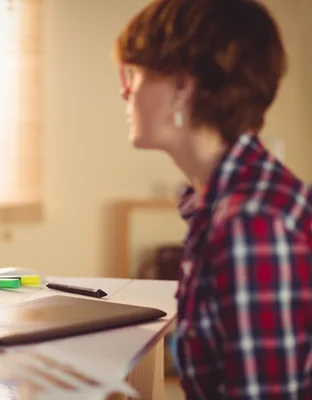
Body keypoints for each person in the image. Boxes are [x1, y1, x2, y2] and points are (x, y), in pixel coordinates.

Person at [114, 0, 312, 398]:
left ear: (183, 89)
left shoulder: (253, 224)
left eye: (134, 73)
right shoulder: (224, 203)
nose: (125, 91)